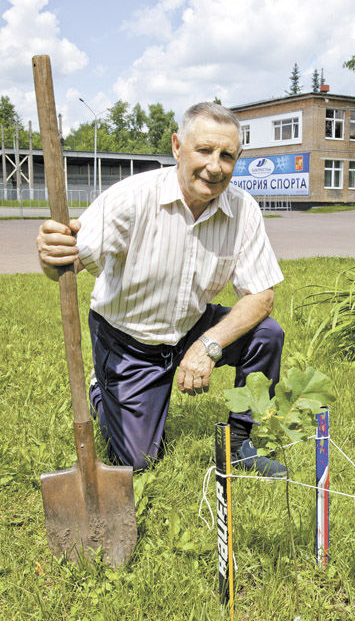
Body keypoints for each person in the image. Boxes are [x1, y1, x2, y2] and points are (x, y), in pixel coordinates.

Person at [36, 102, 286, 476]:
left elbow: (261, 296)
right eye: (204, 150)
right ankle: (103, 392)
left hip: (189, 326)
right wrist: (51, 251)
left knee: (266, 335)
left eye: (227, 155)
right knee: (140, 461)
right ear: (176, 147)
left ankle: (238, 445)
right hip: (129, 340)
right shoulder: (133, 198)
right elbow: (67, 261)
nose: (214, 166)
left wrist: (208, 344)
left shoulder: (242, 209)